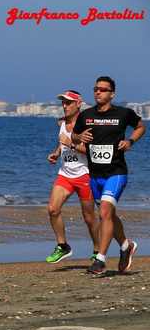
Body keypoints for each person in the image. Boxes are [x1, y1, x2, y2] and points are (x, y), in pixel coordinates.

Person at [72, 76, 145, 274]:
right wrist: (79, 137)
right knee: (109, 215)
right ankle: (126, 246)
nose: (98, 92)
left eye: (103, 90)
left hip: (117, 172)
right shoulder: (86, 115)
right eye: (96, 89)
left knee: (104, 212)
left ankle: (100, 259)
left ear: (112, 93)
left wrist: (130, 141)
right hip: (95, 175)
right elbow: (74, 135)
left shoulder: (123, 113)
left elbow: (141, 126)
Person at [45, 90, 99, 263]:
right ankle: (63, 246)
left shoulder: (87, 125)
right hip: (65, 174)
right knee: (53, 209)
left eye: (68, 102)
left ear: (78, 104)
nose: (65, 105)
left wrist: (71, 144)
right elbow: (62, 143)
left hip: (84, 175)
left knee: (89, 218)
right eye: (63, 102)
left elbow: (91, 152)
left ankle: (98, 250)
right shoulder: (62, 123)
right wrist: (56, 152)